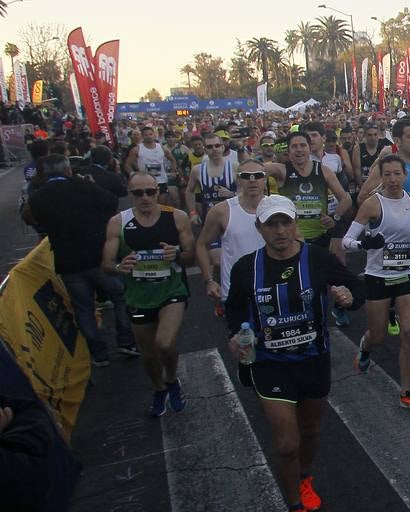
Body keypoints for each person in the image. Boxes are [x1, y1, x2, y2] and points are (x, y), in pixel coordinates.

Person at [225, 195, 364, 512]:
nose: (280, 231)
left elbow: (357, 286)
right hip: (271, 364)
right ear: (260, 229)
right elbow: (234, 311)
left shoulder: (316, 259)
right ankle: (294, 510)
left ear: (295, 224)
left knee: (311, 431)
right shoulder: (246, 268)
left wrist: (349, 296)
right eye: (271, 224)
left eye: (286, 222)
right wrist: (234, 339)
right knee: (287, 444)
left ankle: (304, 477)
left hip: (313, 359)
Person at [346, 156, 410, 411]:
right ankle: (366, 347)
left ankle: (406, 391)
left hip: (407, 274)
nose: (392, 179)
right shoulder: (372, 204)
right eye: (387, 174)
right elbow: (348, 240)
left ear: (404, 175)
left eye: (396, 174)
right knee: (378, 336)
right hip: (378, 276)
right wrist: (363, 244)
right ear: (381, 176)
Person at [24, 154, 136, 365]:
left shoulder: (38, 197)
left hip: (68, 262)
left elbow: (34, 220)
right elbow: (111, 202)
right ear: (68, 170)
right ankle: (126, 341)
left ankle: (99, 353)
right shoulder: (82, 186)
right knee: (121, 296)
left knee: (83, 308)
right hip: (98, 256)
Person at [102, 173, 195, 417]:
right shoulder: (118, 223)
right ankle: (158, 387)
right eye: (138, 193)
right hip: (138, 296)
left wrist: (175, 255)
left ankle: (172, 379)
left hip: (171, 289)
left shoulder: (176, 217)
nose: (145, 197)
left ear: (158, 190)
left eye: (150, 192)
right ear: (130, 195)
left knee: (164, 343)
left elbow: (191, 256)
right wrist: (121, 266)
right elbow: (107, 264)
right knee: (149, 356)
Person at [196, 158, 268, 319]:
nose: (252, 180)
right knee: (242, 342)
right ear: (238, 180)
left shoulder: (277, 207)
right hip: (236, 292)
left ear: (265, 179)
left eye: (257, 175)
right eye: (246, 176)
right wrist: (209, 280)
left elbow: (297, 242)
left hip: (272, 288)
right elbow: (201, 244)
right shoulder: (221, 211)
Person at [264, 131, 351, 247]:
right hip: (292, 238)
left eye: (303, 145)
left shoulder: (323, 171)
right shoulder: (282, 170)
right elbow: (253, 169)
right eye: (294, 146)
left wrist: (334, 218)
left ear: (310, 148)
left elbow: (346, 199)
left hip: (320, 236)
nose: (299, 149)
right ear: (288, 152)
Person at [123, 123, 178, 206]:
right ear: (142, 136)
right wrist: (133, 175)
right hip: (145, 182)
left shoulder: (162, 148)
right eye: (146, 135)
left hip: (161, 180)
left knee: (162, 204)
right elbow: (127, 164)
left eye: (150, 134)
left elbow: (172, 159)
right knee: (148, 204)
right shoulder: (137, 149)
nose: (148, 136)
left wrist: (173, 171)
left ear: (154, 135)